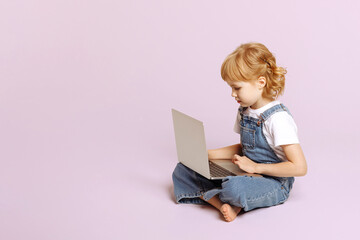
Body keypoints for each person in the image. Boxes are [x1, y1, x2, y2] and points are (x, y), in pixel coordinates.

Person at [172, 42, 307, 222]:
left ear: (260, 83)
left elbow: (299, 167)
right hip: (245, 173)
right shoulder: (245, 111)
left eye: (237, 88)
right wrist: (207, 155)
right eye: (231, 88)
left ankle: (225, 197)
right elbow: (244, 148)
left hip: (273, 182)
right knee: (183, 169)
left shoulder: (278, 119)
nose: (232, 94)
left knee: (233, 188)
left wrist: (256, 167)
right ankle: (224, 205)